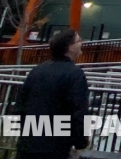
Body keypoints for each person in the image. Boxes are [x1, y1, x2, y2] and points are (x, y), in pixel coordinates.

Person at [15, 29, 90, 159]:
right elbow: (78, 110)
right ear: (70, 47)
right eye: (79, 41)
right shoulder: (75, 74)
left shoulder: (38, 70)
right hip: (55, 144)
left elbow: (21, 104)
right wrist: (80, 141)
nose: (82, 43)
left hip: (28, 141)